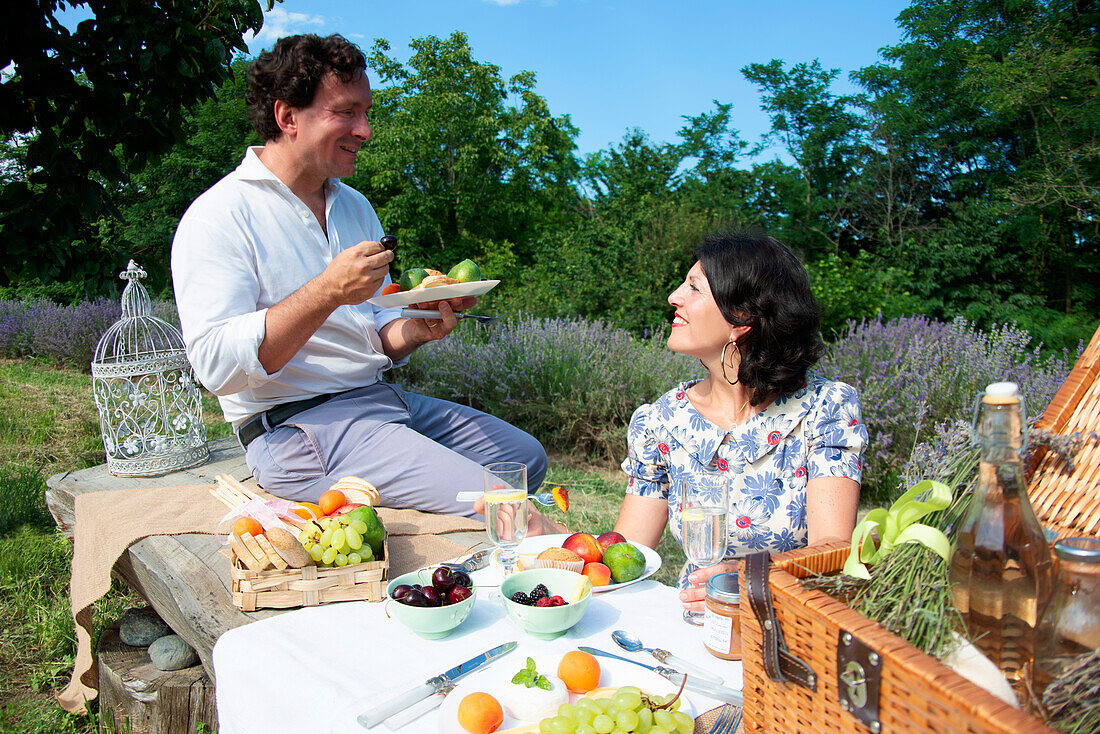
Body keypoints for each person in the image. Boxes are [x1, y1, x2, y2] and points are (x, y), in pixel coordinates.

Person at [171, 34, 546, 517]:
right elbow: (217, 370)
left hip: (381, 401)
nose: (365, 130)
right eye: (346, 112)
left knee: (523, 459)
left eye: (366, 113)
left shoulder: (354, 206)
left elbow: (369, 332)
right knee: (509, 509)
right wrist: (326, 291)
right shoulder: (219, 216)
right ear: (287, 118)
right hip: (296, 429)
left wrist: (413, 330)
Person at [513, 231, 867, 614]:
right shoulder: (663, 421)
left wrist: (750, 579)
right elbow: (626, 556)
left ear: (742, 318)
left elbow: (833, 553)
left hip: (785, 627)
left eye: (694, 288)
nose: (674, 297)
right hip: (693, 623)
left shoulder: (823, 410)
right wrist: (551, 536)